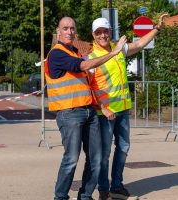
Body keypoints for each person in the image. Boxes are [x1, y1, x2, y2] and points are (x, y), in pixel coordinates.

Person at [44, 16, 126, 200]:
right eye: (65, 28)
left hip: (89, 112)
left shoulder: (75, 52)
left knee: (95, 159)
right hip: (70, 114)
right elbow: (84, 66)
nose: (69, 32)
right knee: (71, 159)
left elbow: (86, 86)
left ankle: (85, 196)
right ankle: (60, 197)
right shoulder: (57, 54)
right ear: (58, 31)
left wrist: (101, 107)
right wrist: (114, 53)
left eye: (72, 28)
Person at [88, 14, 168, 200]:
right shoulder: (92, 58)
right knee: (105, 153)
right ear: (93, 35)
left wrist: (157, 28)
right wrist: (103, 107)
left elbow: (139, 44)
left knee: (123, 148)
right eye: (98, 32)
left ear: (110, 32)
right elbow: (90, 87)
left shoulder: (119, 50)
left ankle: (116, 185)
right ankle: (103, 190)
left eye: (105, 31)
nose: (102, 35)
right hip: (105, 113)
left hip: (123, 110)